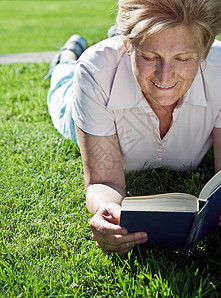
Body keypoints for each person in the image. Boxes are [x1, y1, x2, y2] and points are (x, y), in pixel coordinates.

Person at [47, 0, 221, 256]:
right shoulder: (95, 71)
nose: (165, 77)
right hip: (90, 113)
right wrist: (106, 209)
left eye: (182, 58)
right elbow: (103, 181)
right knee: (62, 91)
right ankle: (64, 59)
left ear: (204, 50)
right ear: (128, 46)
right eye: (150, 56)